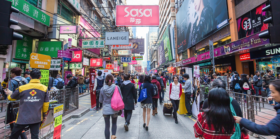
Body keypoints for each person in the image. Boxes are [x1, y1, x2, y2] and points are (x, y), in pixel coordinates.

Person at [5, 69, 49, 139]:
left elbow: (11, 98)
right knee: (35, 136)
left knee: (14, 135)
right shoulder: (44, 88)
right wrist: (44, 115)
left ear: (30, 77)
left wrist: (9, 94)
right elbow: (46, 104)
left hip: (22, 117)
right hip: (36, 117)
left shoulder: (22, 88)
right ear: (40, 77)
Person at [99, 74, 122, 139]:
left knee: (107, 126)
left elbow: (100, 100)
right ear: (112, 80)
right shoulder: (116, 87)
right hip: (114, 109)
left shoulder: (102, 89)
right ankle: (113, 135)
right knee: (114, 123)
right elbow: (121, 97)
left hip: (106, 109)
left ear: (105, 80)